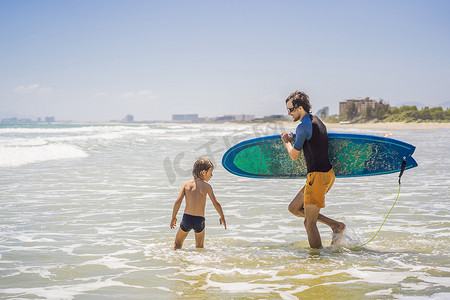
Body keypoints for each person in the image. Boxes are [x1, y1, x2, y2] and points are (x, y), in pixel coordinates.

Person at [281, 90, 345, 249]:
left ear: (300, 108)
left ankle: (317, 260)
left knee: (309, 224)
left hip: (317, 177)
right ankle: (335, 225)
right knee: (294, 208)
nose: (289, 113)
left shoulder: (302, 127)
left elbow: (294, 155)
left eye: (291, 110)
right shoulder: (317, 121)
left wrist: (287, 142)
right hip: (328, 175)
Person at [170, 158, 227, 250]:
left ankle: (176, 261)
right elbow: (216, 203)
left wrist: (173, 217)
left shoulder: (186, 184)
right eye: (210, 172)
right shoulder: (207, 186)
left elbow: (177, 202)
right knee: (200, 247)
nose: (211, 175)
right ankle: (199, 263)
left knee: (178, 244)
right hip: (199, 220)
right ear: (203, 172)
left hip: (187, 219)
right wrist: (222, 216)